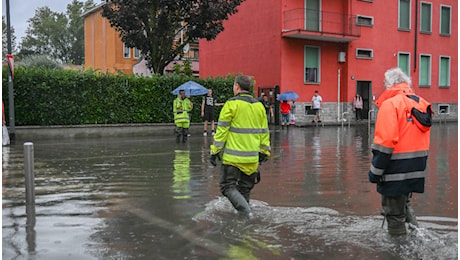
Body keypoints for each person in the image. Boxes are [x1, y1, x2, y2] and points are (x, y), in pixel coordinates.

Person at [368, 67, 432, 236]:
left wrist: (374, 173)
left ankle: (398, 250)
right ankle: (418, 238)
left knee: (394, 215)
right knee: (405, 205)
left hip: (395, 170)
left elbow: (385, 144)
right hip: (416, 168)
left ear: (390, 84)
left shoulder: (390, 105)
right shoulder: (421, 103)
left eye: (384, 83)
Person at [210, 74, 271, 217]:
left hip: (233, 158)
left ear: (237, 86)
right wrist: (264, 152)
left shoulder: (231, 104)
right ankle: (244, 222)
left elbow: (222, 131)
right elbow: (264, 131)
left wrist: (214, 151)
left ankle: (247, 213)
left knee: (227, 187)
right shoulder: (259, 106)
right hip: (252, 159)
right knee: (244, 189)